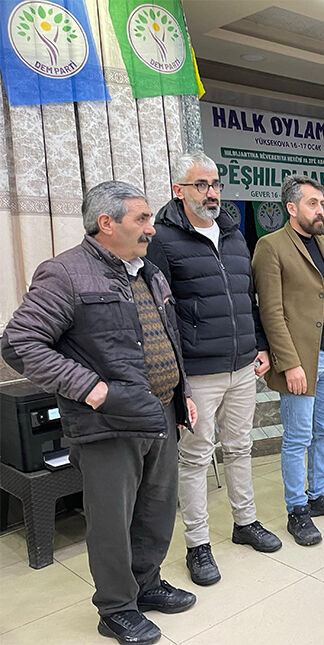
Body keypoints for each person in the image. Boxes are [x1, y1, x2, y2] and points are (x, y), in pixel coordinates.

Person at [2, 181, 198, 645]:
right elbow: (19, 344)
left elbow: (166, 338)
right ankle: (115, 608)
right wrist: (91, 389)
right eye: (142, 219)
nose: (152, 228)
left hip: (159, 414)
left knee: (155, 511)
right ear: (106, 223)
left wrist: (181, 393)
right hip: (107, 423)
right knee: (112, 522)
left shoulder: (148, 271)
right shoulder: (66, 273)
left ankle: (146, 584)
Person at [147, 153, 280, 588]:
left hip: (242, 365)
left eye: (216, 184)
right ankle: (198, 544)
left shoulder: (234, 234)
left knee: (240, 448)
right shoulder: (163, 240)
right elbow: (160, 314)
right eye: (201, 184)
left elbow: (248, 298)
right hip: (199, 373)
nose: (211, 193)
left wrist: (260, 345)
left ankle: (246, 522)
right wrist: (178, 377)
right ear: (178, 190)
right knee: (196, 458)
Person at [252, 175, 324, 547]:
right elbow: (270, 311)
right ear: (291, 207)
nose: (319, 210)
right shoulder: (270, 246)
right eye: (312, 203)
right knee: (298, 437)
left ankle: (319, 493)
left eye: (321, 203)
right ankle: (297, 509)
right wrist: (289, 363)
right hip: (300, 360)